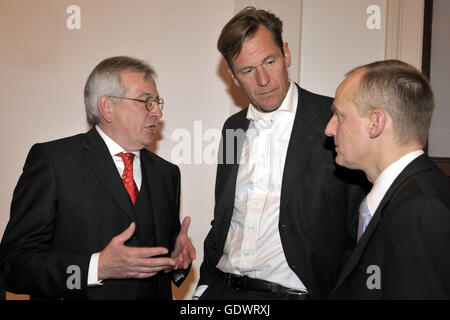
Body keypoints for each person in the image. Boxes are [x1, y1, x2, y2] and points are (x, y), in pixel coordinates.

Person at [195, 7, 367, 300]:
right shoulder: (233, 128)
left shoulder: (334, 120)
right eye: (248, 70)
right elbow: (224, 216)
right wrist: (204, 288)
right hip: (221, 292)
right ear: (233, 77)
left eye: (269, 61)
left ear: (286, 54)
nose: (263, 80)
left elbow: (359, 226)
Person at [0, 56, 195, 299]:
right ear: (107, 108)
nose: (158, 111)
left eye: (157, 101)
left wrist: (174, 260)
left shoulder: (167, 174)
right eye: (146, 101)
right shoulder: (53, 162)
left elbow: (159, 266)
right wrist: (96, 267)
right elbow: (15, 267)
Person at [326, 60, 450, 299]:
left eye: (339, 116)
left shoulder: (420, 210)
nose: (329, 129)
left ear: (376, 123)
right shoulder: (403, 197)